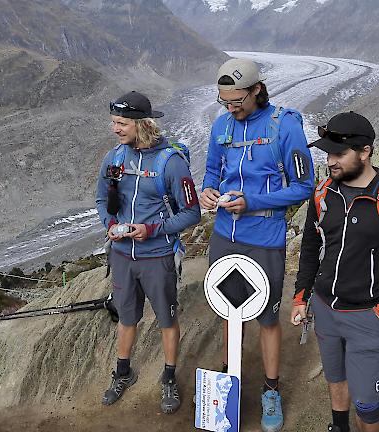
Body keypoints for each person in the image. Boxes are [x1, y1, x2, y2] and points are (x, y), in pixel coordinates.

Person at [290, 112, 379, 432]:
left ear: (365, 152)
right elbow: (312, 247)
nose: (330, 161)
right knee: (335, 376)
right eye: (327, 154)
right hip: (325, 309)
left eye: (339, 154)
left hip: (369, 315)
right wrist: (301, 297)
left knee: (367, 404)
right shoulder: (324, 193)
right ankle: (339, 426)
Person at [199, 58, 314, 432]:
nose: (231, 109)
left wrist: (253, 203)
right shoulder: (221, 126)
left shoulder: (285, 124)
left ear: (257, 90)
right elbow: (213, 171)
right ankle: (228, 384)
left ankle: (270, 390)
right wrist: (208, 191)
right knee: (228, 312)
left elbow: (302, 186)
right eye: (224, 102)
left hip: (264, 237)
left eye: (238, 101)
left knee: (266, 316)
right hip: (223, 235)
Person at [95, 91, 201, 413]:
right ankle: (122, 373)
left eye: (122, 123)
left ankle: (169, 378)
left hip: (158, 256)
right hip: (122, 256)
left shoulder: (171, 162)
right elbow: (101, 198)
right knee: (127, 317)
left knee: (167, 318)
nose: (115, 129)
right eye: (114, 122)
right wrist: (110, 224)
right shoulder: (114, 158)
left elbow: (191, 213)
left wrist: (151, 230)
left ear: (142, 124)